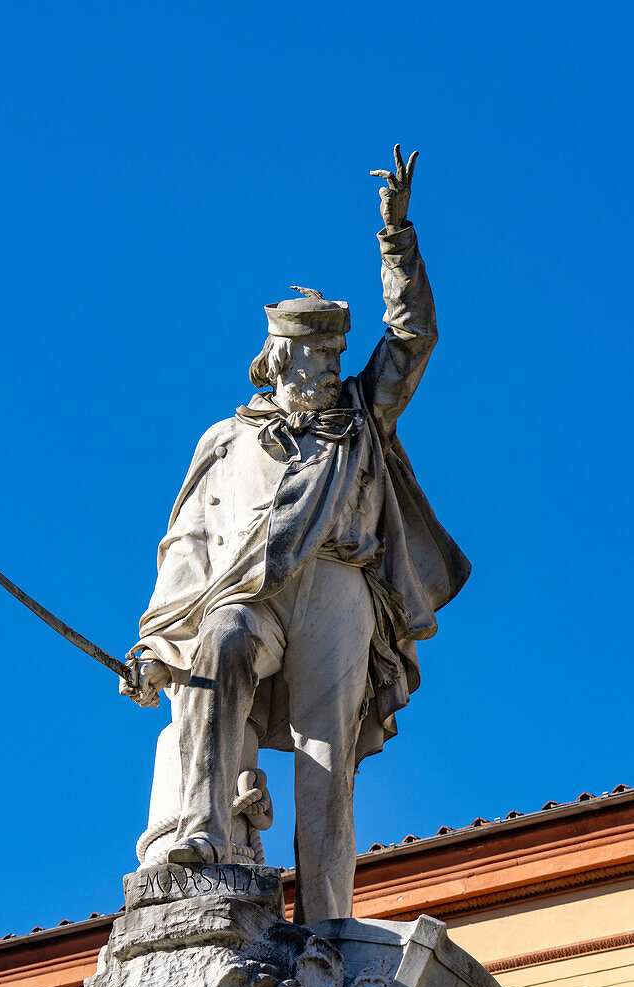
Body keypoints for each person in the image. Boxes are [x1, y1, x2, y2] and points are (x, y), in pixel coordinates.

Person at [120, 145, 470, 923]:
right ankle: (205, 835)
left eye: (331, 356)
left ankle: (326, 922)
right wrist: (153, 636)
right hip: (251, 591)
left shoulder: (358, 416)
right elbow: (189, 545)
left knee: (325, 760)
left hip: (339, 587)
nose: (323, 368)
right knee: (220, 644)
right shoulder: (225, 439)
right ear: (275, 361)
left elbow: (411, 339)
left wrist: (396, 240)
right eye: (310, 357)